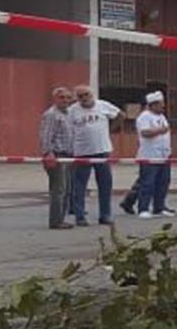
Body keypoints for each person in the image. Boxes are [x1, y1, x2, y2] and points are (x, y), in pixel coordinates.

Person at [66, 85, 121, 227]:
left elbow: (121, 115)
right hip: (81, 152)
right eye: (80, 96)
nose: (84, 98)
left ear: (92, 94)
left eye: (86, 94)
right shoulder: (72, 111)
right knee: (79, 186)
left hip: (102, 150)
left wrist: (110, 130)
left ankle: (105, 215)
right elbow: (68, 130)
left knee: (105, 185)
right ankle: (80, 216)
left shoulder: (103, 105)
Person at [132, 91, 175, 217]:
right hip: (149, 156)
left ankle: (159, 207)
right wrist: (160, 131)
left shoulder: (162, 117)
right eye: (161, 104)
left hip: (164, 156)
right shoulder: (144, 116)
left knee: (163, 182)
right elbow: (145, 133)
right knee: (148, 183)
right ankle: (143, 208)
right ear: (153, 105)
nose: (163, 106)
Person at [38, 86, 74, 230]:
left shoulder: (68, 114)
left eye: (67, 98)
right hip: (57, 155)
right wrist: (48, 153)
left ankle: (61, 218)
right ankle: (56, 221)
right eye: (61, 97)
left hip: (68, 155)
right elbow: (46, 135)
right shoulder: (52, 114)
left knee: (65, 189)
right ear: (55, 99)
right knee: (58, 189)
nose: (65, 100)